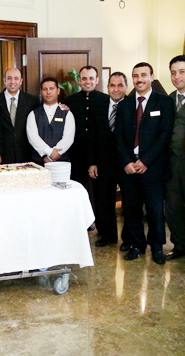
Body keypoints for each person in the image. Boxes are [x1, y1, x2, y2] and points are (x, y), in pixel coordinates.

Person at [115, 62, 174, 265]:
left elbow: (164, 135)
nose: (139, 79)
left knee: (155, 209)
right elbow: (118, 136)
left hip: (153, 167)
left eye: (143, 75)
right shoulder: (124, 104)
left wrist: (146, 161)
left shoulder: (163, 102)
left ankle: (157, 246)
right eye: (135, 76)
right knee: (131, 209)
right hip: (129, 168)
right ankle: (136, 245)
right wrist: (127, 162)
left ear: (151, 77)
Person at [164, 55, 185, 271]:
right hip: (171, 165)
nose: (177, 76)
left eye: (182, 71)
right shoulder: (169, 99)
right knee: (173, 208)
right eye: (173, 72)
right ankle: (180, 245)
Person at [88, 72, 127, 247]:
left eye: (120, 85)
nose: (116, 89)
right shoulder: (99, 105)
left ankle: (129, 239)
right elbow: (92, 135)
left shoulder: (132, 105)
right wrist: (92, 162)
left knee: (129, 202)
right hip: (103, 162)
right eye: (112, 85)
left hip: (126, 162)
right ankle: (107, 235)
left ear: (126, 87)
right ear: (108, 86)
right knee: (103, 200)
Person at [64, 66, 109, 189]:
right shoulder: (69, 101)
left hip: (100, 155)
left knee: (101, 192)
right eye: (84, 78)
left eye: (91, 78)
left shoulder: (106, 100)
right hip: (76, 155)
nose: (88, 81)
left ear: (97, 80)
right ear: (79, 80)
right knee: (76, 190)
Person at [0, 67, 40, 164]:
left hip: (27, 153)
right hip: (3, 154)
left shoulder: (32, 101)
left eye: (16, 78)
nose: (12, 81)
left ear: (21, 81)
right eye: (9, 78)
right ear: (4, 80)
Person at [27, 77, 75, 165]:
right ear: (41, 92)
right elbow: (33, 137)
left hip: (61, 162)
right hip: (38, 162)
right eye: (45, 89)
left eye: (51, 88)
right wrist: (49, 152)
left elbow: (68, 138)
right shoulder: (33, 114)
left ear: (58, 91)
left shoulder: (67, 114)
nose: (48, 92)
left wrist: (54, 154)